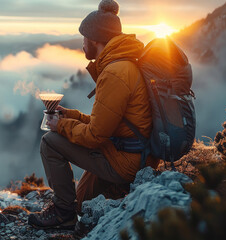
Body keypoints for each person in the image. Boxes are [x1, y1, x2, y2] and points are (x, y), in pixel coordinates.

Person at [28, 0, 160, 230]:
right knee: (81, 202)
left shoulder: (115, 73)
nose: (82, 43)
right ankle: (86, 204)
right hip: (128, 151)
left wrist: (60, 126)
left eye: (84, 38)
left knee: (50, 141)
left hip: (127, 161)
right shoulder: (122, 65)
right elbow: (107, 124)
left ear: (96, 39)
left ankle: (62, 214)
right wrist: (69, 115)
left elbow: (96, 135)